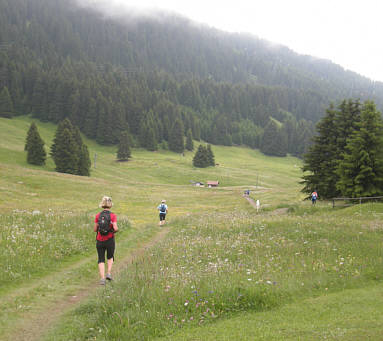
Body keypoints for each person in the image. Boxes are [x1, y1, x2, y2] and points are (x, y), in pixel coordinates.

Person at [94, 196, 118, 285]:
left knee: (101, 259)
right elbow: (115, 228)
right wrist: (112, 230)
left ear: (102, 204)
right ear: (110, 205)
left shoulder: (98, 215)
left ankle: (102, 278)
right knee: (110, 257)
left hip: (99, 240)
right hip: (110, 239)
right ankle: (108, 273)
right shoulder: (113, 216)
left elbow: (95, 229)